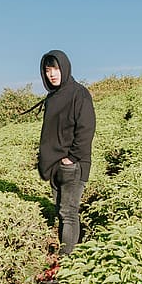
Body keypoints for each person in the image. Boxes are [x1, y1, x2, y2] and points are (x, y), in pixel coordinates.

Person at [37, 49, 96, 263]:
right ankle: (70, 255)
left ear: (65, 68)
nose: (52, 74)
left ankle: (67, 262)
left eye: (56, 69)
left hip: (72, 164)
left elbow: (86, 128)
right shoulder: (53, 97)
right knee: (62, 213)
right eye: (47, 70)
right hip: (55, 164)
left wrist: (71, 157)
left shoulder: (79, 94)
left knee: (68, 213)